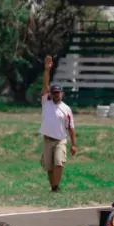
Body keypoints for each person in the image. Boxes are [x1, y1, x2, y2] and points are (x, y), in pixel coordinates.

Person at [40, 55, 78, 192]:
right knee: (49, 166)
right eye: (54, 93)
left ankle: (55, 187)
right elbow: (45, 84)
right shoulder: (46, 103)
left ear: (62, 94)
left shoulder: (66, 108)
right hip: (47, 139)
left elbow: (71, 127)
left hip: (60, 140)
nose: (56, 95)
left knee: (59, 163)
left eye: (58, 93)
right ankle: (53, 187)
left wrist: (73, 144)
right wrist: (47, 70)